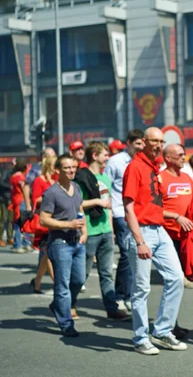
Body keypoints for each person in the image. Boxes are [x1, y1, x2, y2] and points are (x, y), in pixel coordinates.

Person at [123, 127, 186, 355]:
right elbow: (128, 207)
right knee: (141, 288)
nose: (158, 145)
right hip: (143, 232)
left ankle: (162, 330)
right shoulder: (135, 167)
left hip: (159, 230)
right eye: (154, 141)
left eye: (161, 141)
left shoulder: (154, 166)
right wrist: (139, 241)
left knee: (176, 278)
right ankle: (140, 337)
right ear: (143, 142)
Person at [76, 141, 129, 320]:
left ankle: (111, 308)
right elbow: (78, 204)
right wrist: (97, 202)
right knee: (81, 274)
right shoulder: (82, 177)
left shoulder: (105, 179)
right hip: (90, 232)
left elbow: (110, 208)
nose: (107, 158)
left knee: (106, 273)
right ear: (94, 156)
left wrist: (112, 231)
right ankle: (69, 304)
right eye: (105, 155)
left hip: (106, 231)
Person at [39, 154, 87, 337]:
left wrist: (85, 232)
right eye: (67, 168)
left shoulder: (76, 187)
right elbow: (44, 220)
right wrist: (69, 225)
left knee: (79, 280)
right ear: (57, 171)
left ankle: (58, 305)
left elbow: (80, 210)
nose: (71, 170)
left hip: (77, 243)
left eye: (73, 167)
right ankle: (66, 323)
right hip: (60, 244)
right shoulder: (52, 192)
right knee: (63, 285)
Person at [105, 129, 145, 310]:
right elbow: (106, 186)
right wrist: (109, 213)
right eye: (137, 144)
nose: (140, 147)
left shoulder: (142, 161)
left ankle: (129, 294)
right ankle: (121, 295)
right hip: (121, 213)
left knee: (134, 256)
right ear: (128, 142)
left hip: (138, 214)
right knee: (126, 255)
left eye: (143, 144)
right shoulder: (115, 161)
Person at [159, 144, 193, 289]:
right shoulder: (160, 178)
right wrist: (176, 216)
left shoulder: (187, 177)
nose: (183, 158)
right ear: (168, 158)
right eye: (180, 155)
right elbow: (154, 208)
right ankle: (177, 279)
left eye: (184, 154)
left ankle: (183, 276)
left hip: (186, 229)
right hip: (167, 229)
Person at [30, 155, 57, 293]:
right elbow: (36, 199)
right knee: (49, 253)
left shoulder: (56, 179)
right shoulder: (39, 181)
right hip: (45, 221)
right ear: (49, 166)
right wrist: (52, 195)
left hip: (56, 220)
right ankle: (57, 283)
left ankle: (37, 282)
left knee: (46, 256)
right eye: (55, 165)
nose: (57, 168)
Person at [10, 158, 32, 253]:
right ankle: (20, 244)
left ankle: (22, 243)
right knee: (23, 223)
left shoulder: (13, 177)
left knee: (18, 223)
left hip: (15, 201)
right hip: (21, 201)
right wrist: (28, 205)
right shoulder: (21, 178)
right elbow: (25, 191)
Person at [0, 165, 13, 246]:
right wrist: (11, 186)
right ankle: (0, 238)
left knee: (10, 219)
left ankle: (10, 238)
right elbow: (1, 182)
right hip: (4, 198)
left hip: (11, 198)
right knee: (3, 219)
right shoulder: (6, 171)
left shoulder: (14, 172)